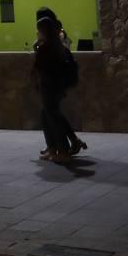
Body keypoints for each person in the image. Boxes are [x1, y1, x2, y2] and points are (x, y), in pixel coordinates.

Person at [33, 10, 86, 162]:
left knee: (52, 116)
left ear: (43, 31)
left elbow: (39, 69)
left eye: (39, 30)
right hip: (57, 87)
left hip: (49, 86)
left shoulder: (44, 48)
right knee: (47, 115)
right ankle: (54, 147)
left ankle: (62, 150)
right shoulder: (59, 46)